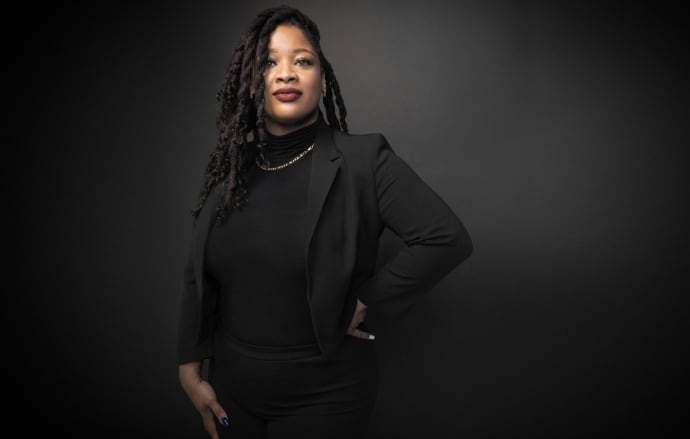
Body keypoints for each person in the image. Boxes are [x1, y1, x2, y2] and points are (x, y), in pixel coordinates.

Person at [177, 5, 473, 438]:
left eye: (302, 60)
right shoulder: (233, 167)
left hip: (325, 396)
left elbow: (445, 238)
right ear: (251, 80)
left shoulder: (363, 160)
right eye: (269, 62)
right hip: (231, 391)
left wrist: (368, 299)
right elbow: (198, 272)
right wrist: (189, 366)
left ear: (322, 75)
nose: (286, 73)